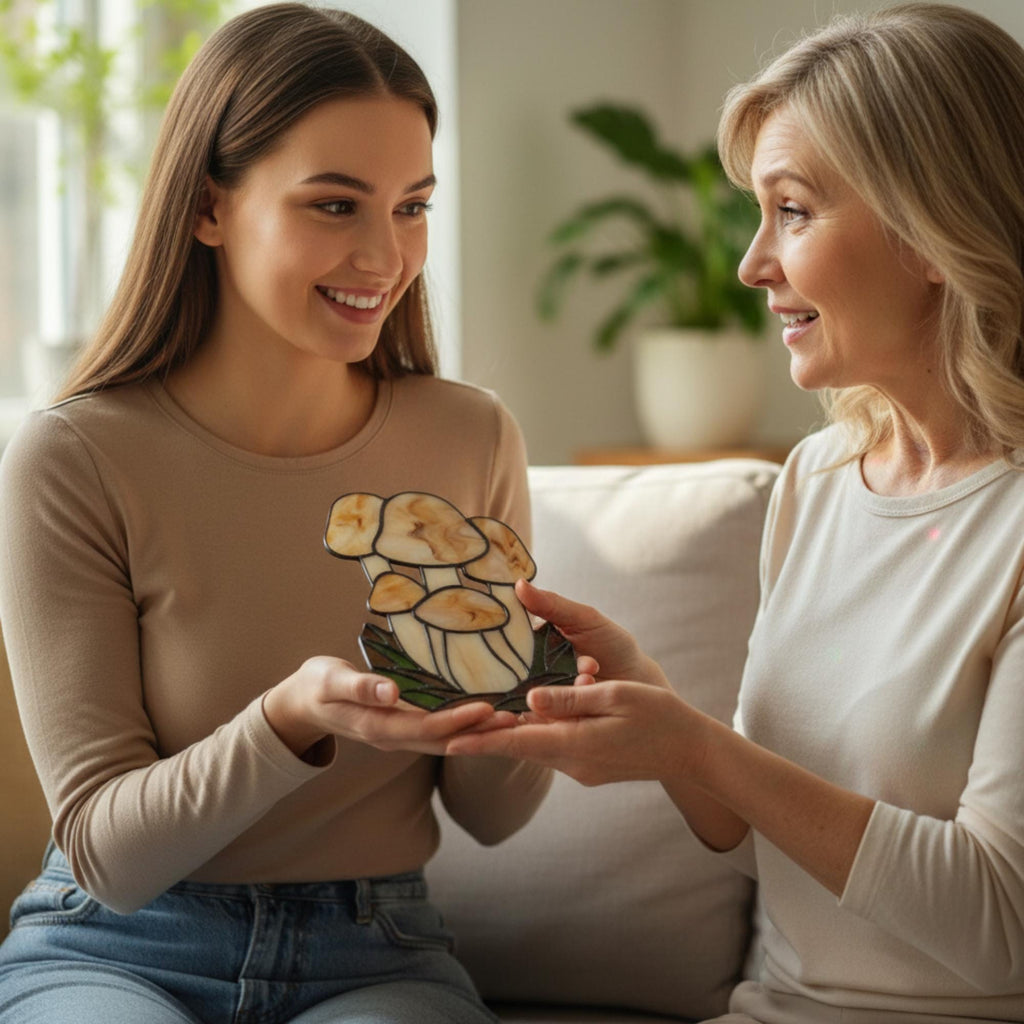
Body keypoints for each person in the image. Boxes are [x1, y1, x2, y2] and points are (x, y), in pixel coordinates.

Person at [447, 4, 1024, 1022]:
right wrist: (649, 697)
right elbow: (760, 830)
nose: (752, 264)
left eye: (793, 211)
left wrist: (698, 746)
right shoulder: (816, 478)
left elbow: (996, 922)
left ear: (933, 232)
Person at [0, 5, 548, 1022]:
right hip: (118, 943)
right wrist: (289, 720)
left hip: (376, 950)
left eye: (413, 206)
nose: (386, 255)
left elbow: (493, 817)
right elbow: (109, 852)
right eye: (335, 206)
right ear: (209, 206)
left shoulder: (469, 439)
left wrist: (516, 701)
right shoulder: (76, 457)